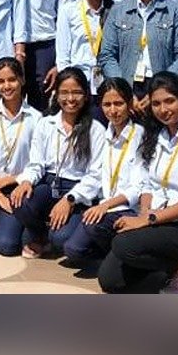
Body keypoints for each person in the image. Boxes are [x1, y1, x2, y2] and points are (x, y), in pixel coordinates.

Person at [98, 72, 178, 295]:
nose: (163, 109)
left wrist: (148, 220)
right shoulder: (158, 136)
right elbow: (148, 184)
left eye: (169, 101)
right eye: (156, 104)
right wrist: (145, 213)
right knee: (110, 280)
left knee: (123, 244)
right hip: (159, 219)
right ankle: (169, 270)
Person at [15, 68, 95, 258]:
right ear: (56, 95)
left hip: (77, 190)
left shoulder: (95, 129)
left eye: (77, 92)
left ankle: (59, 231)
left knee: (61, 240)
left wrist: (70, 199)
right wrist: (26, 181)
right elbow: (36, 162)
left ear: (86, 95)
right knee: (20, 200)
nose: (70, 98)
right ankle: (39, 235)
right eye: (64, 92)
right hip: (50, 183)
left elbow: (95, 175)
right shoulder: (46, 123)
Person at [62, 77, 142, 266]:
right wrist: (71, 198)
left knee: (94, 227)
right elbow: (95, 175)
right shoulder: (104, 135)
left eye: (119, 104)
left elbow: (138, 188)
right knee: (72, 250)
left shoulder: (141, 136)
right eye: (107, 105)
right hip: (105, 208)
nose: (113, 110)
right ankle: (111, 255)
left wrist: (105, 206)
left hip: (129, 209)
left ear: (130, 104)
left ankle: (124, 256)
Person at [0, 58, 41, 257]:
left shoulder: (36, 118)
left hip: (17, 187)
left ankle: (30, 232)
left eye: (12, 80)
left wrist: (8, 182)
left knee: (7, 246)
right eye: (1, 81)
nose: (6, 86)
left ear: (22, 80)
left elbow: (37, 163)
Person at [56, 0, 114, 98]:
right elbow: (63, 55)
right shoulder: (68, 11)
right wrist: (68, 84)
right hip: (77, 82)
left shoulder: (115, 11)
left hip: (107, 82)